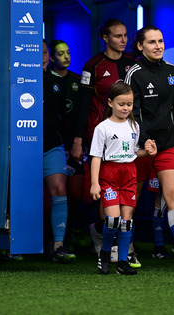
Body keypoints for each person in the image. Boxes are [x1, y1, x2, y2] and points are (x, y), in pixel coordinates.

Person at [124, 25, 174, 271]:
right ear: (140, 46)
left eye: (160, 41)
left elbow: (172, 108)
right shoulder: (133, 73)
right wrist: (144, 139)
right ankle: (127, 250)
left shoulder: (172, 71)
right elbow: (131, 112)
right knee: (131, 201)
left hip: (167, 145)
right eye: (151, 42)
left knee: (173, 196)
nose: (158, 46)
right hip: (139, 147)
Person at [69, 19, 137, 265]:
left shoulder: (133, 63)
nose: (123, 40)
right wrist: (78, 140)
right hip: (100, 136)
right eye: (118, 36)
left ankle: (121, 241)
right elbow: (83, 105)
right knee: (102, 190)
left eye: (125, 35)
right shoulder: (93, 66)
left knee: (128, 192)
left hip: (127, 135)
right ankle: (102, 234)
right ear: (105, 38)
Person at [90, 82, 156, 275]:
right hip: (109, 174)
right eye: (121, 104)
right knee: (112, 220)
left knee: (127, 222)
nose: (126, 108)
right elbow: (96, 157)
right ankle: (104, 254)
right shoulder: (102, 128)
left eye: (129, 104)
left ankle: (122, 261)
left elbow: (134, 152)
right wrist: (94, 183)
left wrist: (148, 151)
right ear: (110, 103)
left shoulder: (134, 125)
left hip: (129, 174)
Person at [48, 40, 86, 249]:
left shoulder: (77, 82)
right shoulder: (42, 80)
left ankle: (72, 233)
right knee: (53, 193)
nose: (66, 57)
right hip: (52, 144)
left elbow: (81, 114)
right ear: (51, 57)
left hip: (74, 145)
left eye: (68, 52)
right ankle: (51, 239)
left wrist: (77, 142)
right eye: (60, 53)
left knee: (77, 195)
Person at [42, 40, 76, 263]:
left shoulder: (57, 82)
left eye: (44, 52)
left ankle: (58, 245)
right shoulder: (15, 80)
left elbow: (65, 118)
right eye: (37, 53)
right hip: (22, 146)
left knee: (59, 188)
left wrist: (70, 145)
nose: (42, 57)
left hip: (52, 144)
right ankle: (14, 243)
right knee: (21, 192)